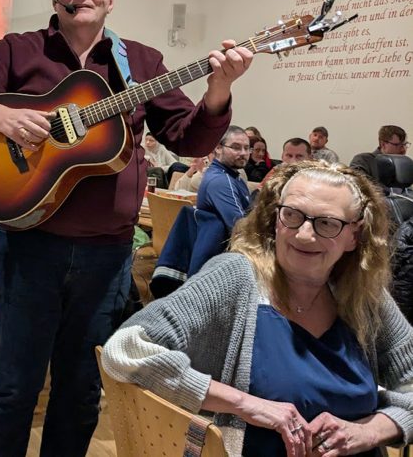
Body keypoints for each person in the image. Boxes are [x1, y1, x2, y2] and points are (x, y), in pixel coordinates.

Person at [0, 0, 252, 457]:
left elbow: (188, 140)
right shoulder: (19, 50)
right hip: (31, 245)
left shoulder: (140, 63)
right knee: (11, 388)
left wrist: (219, 91)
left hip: (108, 254)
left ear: (111, 0)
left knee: (80, 393)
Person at [103, 161, 413, 456]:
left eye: (327, 223)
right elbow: (124, 349)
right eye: (292, 215)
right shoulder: (236, 277)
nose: (305, 234)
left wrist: (368, 432)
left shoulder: (362, 295)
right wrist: (246, 404)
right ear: (274, 219)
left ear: (353, 236)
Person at [197, 126, 252, 233]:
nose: (243, 153)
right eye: (236, 147)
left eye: (247, 148)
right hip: (225, 248)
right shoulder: (221, 181)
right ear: (218, 148)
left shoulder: (234, 175)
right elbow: (240, 230)